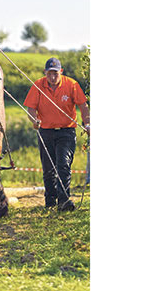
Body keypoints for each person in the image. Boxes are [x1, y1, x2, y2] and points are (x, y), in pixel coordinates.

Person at [23, 57, 90, 211]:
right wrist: (34, 120)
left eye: (55, 74)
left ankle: (64, 201)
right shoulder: (38, 86)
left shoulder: (72, 85)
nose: (52, 77)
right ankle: (50, 201)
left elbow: (83, 106)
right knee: (48, 169)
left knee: (64, 165)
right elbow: (31, 109)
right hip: (45, 131)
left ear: (61, 71)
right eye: (49, 74)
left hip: (66, 131)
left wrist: (88, 123)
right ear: (45, 72)